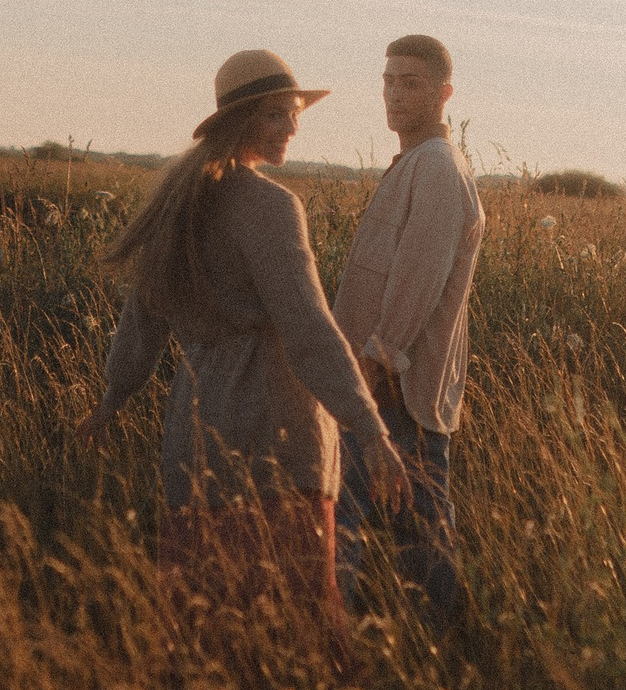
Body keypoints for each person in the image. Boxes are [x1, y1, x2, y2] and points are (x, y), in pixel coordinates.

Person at [78, 49, 407, 630]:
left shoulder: (178, 204)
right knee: (293, 622)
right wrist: (370, 426)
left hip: (196, 435)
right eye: (276, 115)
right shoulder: (270, 206)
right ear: (241, 122)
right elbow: (308, 330)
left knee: (204, 618)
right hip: (277, 434)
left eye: (294, 112)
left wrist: (113, 398)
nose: (291, 127)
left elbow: (141, 323)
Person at [332, 34, 485, 628]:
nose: (395, 93)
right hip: (388, 382)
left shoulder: (439, 168)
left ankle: (348, 648)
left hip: (398, 387)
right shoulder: (420, 164)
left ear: (446, 93)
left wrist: (375, 362)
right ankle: (446, 649)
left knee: (364, 521)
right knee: (417, 535)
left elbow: (417, 278)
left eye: (412, 82)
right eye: (389, 80)